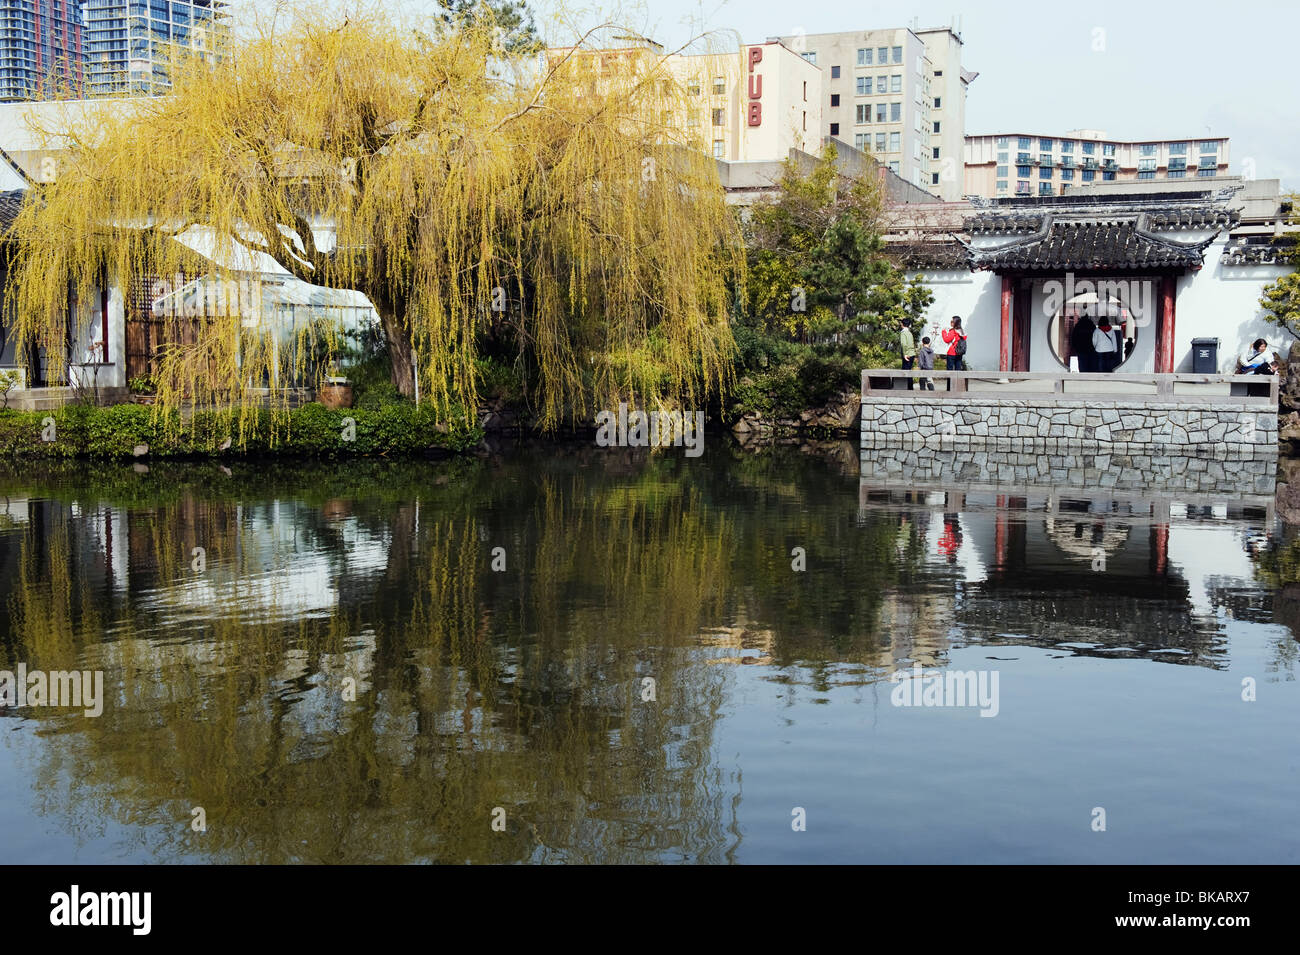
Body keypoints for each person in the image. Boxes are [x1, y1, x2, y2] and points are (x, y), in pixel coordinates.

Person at [899, 318, 917, 390]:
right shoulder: (910, 333)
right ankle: (910, 388)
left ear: (902, 324)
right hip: (912, 353)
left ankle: (907, 389)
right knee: (909, 371)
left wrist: (905, 354)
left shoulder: (903, 333)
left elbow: (904, 344)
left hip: (907, 354)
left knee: (906, 372)